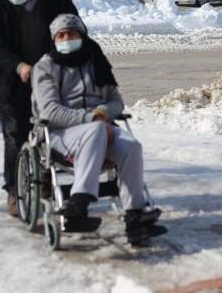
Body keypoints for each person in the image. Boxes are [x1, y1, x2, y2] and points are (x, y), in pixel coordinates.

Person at [31, 13, 168, 245]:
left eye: (71, 34)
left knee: (132, 146)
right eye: (61, 35)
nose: (66, 38)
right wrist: (91, 118)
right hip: (59, 133)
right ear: (53, 39)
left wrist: (104, 112)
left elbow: (116, 101)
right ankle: (79, 202)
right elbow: (50, 112)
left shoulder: (96, 62)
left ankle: (135, 217)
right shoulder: (45, 67)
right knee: (94, 131)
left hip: (102, 129)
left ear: (82, 36)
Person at [0, 0, 78, 216]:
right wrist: (19, 65)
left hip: (51, 79)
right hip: (14, 79)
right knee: (15, 135)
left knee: (50, 134)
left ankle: (47, 183)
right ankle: (14, 189)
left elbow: (73, 32)